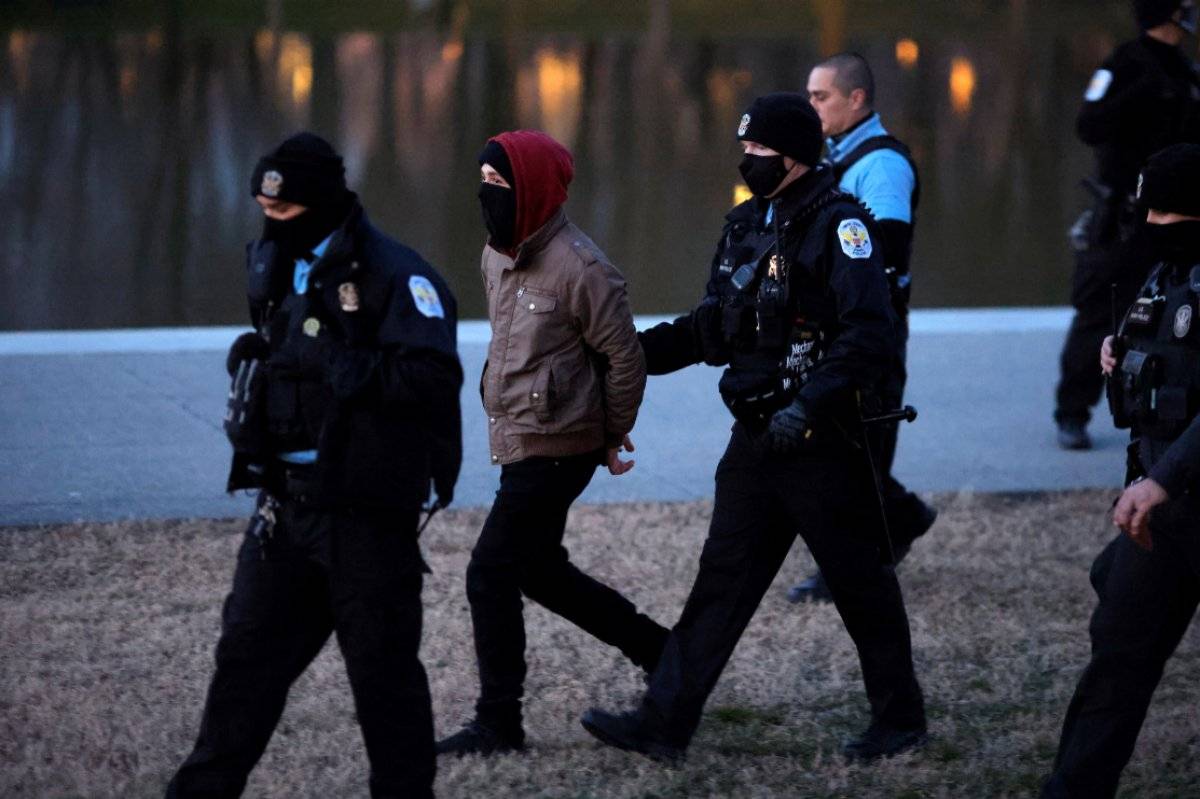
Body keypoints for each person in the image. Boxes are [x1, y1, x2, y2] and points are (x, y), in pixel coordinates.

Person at [579, 94, 926, 764]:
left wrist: (809, 407)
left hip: (823, 442)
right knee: (721, 582)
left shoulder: (842, 227)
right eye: (746, 152)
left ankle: (901, 717)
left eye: (760, 153)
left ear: (795, 156)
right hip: (756, 442)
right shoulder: (747, 225)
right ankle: (662, 723)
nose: (748, 163)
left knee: (861, 586)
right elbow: (711, 328)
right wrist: (626, 355)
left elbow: (869, 333)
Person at [166, 132, 462, 799]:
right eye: (266, 212)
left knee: (384, 687)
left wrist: (344, 366)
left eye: (288, 213)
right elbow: (295, 347)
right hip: (284, 511)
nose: (273, 224)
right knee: (243, 667)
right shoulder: (276, 263)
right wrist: (263, 362)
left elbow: (434, 379)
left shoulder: (397, 275)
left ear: (324, 204)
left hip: (364, 521)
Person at [436, 130, 668, 757]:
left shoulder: (582, 268)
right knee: (538, 571)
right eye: (482, 184)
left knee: (490, 573)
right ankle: (663, 655)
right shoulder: (496, 254)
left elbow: (626, 358)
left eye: (499, 186)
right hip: (521, 436)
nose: (486, 197)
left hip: (562, 445)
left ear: (531, 190)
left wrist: (614, 432)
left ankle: (498, 725)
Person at [1042, 143, 1200, 797]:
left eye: (1169, 213)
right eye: (1149, 211)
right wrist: (1124, 351)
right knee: (1118, 653)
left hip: (1171, 486)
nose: (1154, 226)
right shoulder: (1165, 273)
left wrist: (1163, 477)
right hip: (1162, 511)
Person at [788, 52, 937, 604]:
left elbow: (884, 248)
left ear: (856, 99)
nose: (811, 106)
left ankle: (851, 572)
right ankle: (901, 517)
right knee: (842, 445)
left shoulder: (881, 165)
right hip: (841, 325)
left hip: (870, 331)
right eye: (807, 95)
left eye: (819, 96)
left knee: (854, 452)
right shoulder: (837, 156)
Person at [1054, 0, 1200, 450]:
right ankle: (1072, 413)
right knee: (1101, 312)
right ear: (1168, 12)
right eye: (1185, 6)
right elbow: (1089, 124)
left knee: (1178, 310)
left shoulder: (1185, 70)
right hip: (1122, 218)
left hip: (1180, 217)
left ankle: (1168, 414)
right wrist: (1141, 95)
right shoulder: (1124, 63)